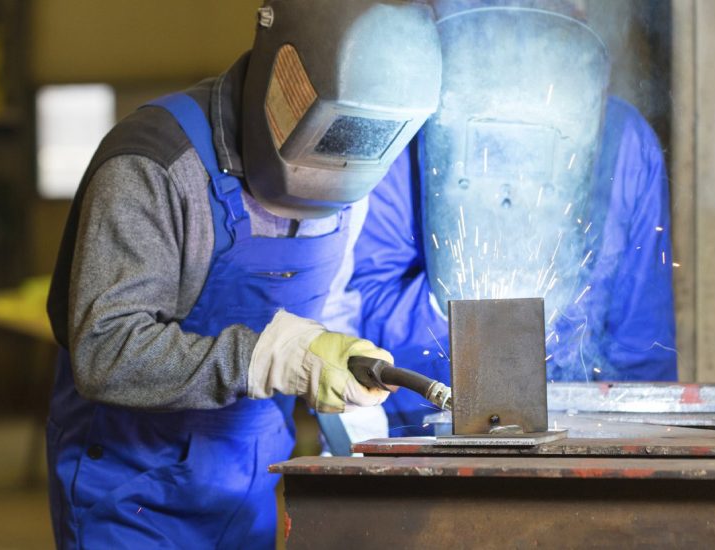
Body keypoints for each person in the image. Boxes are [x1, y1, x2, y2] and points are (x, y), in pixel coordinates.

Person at [43, 1, 442, 547]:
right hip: (131, 498)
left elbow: (322, 316)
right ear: (285, 79)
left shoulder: (363, 164)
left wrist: (338, 386)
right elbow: (104, 351)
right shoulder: (154, 164)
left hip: (249, 486)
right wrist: (263, 358)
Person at [341, 0, 677, 438]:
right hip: (423, 442)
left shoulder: (624, 140)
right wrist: (463, 308)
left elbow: (642, 350)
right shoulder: (407, 122)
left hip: (574, 445)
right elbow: (363, 306)